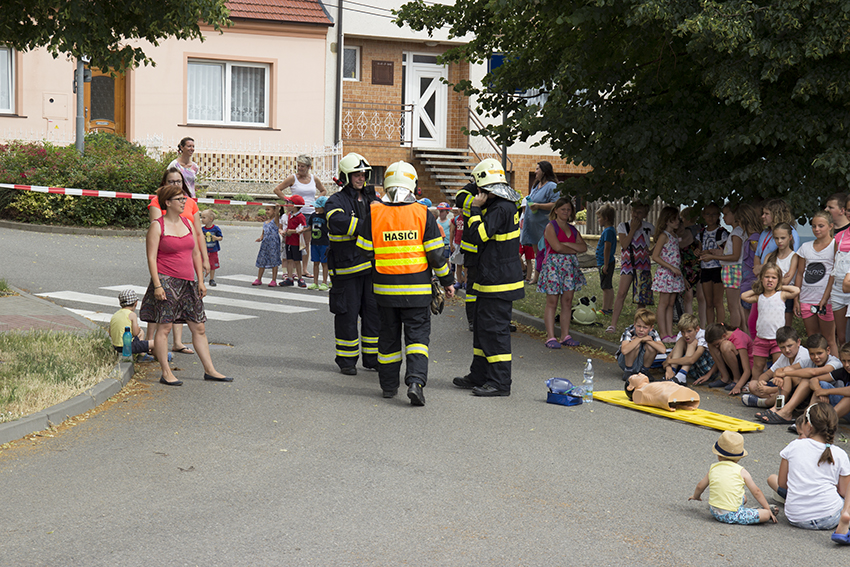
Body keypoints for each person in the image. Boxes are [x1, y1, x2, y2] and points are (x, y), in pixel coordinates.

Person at [356, 161, 455, 405]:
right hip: (417, 291)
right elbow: (436, 255)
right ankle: (415, 383)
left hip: (384, 291)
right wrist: (447, 281)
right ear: (413, 185)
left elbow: (363, 251)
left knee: (388, 339)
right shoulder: (422, 213)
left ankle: (389, 387)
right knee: (418, 339)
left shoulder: (374, 213)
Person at [139, 182, 232, 385]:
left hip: (188, 282)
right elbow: (151, 258)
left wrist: (201, 281)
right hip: (166, 280)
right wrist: (157, 285)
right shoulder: (157, 226)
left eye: (184, 198)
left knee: (199, 327)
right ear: (167, 202)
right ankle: (166, 372)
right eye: (180, 199)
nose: (184, 202)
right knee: (165, 328)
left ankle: (210, 370)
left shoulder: (187, 223)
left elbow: (196, 253)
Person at [452, 158, 524, 397]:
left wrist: (474, 209)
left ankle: (500, 382)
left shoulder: (501, 208)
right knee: (483, 329)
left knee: (495, 332)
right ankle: (480, 375)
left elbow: (477, 235)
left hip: (498, 282)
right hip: (490, 278)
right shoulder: (501, 204)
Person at [325, 153, 380, 375]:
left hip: (371, 269)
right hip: (346, 271)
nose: (361, 178)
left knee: (373, 315)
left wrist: (377, 206)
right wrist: (368, 226)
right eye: (356, 174)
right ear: (346, 176)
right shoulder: (335, 201)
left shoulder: (371, 199)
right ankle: (347, 360)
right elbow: (337, 221)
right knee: (347, 316)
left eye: (364, 174)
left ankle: (372, 358)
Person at [148, 167, 209, 356]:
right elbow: (159, 235)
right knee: (162, 318)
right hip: (167, 269)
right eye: (172, 181)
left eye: (179, 181)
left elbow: (198, 234)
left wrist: (205, 259)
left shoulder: (189, 203)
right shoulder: (158, 203)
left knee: (189, 317)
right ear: (165, 184)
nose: (176, 184)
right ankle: (150, 346)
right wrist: (158, 283)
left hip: (187, 265)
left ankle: (178, 342)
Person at [766, 403, 850, 531]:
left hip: (795, 517)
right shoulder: (840, 454)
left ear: (808, 426)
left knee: (773, 478)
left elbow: (782, 483)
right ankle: (845, 515)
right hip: (828, 517)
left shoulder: (794, 446)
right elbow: (844, 492)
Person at [689, 431, 777, 525]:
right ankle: (754, 511)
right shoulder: (741, 471)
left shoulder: (713, 468)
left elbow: (700, 486)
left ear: (718, 455)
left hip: (714, 510)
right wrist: (767, 508)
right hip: (731, 514)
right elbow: (756, 492)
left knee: (744, 497)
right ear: (739, 458)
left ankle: (747, 511)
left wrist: (696, 496)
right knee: (766, 514)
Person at [756, 334, 841, 424]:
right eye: (812, 354)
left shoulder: (835, 362)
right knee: (788, 375)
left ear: (828, 350)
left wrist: (784, 373)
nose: (816, 357)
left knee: (807, 379)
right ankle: (778, 407)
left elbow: (814, 372)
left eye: (819, 353)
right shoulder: (809, 361)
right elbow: (785, 369)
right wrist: (779, 377)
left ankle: (801, 418)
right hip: (817, 395)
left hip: (833, 398)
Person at [741, 264, 800, 391]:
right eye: (767, 277)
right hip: (761, 338)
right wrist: (759, 288)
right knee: (758, 366)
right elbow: (744, 296)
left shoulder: (781, 295)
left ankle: (774, 388)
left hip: (778, 339)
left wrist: (780, 286)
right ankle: (754, 385)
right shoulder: (759, 296)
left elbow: (796, 290)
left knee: (777, 366)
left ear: (778, 279)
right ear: (761, 278)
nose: (770, 280)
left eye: (774, 277)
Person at [538, 196, 587, 348]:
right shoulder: (551, 226)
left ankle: (565, 335)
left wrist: (565, 244)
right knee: (552, 301)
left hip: (569, 268)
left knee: (567, 301)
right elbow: (556, 247)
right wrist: (572, 248)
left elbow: (583, 247)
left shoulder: (572, 229)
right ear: (556, 211)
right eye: (563, 209)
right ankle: (550, 336)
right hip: (553, 266)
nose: (566, 212)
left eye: (568, 209)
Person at [273, 154, 328, 278]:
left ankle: (304, 269)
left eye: (302, 166)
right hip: (295, 213)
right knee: (292, 241)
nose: (300, 168)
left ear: (308, 167)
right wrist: (288, 200)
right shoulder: (293, 178)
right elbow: (277, 189)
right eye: (298, 165)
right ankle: (290, 270)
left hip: (310, 213)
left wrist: (317, 201)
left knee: (306, 242)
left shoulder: (314, 179)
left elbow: (323, 190)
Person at [795, 210, 839, 356]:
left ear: (831, 226)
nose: (817, 229)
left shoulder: (835, 246)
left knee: (829, 339)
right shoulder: (805, 247)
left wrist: (825, 298)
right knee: (812, 338)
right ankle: (815, 367)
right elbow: (800, 273)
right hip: (806, 298)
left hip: (827, 300)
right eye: (814, 226)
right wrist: (796, 299)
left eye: (821, 226)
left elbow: (834, 273)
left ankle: (835, 368)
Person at [609, 202, 654, 333]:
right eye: (634, 212)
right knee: (621, 293)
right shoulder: (624, 226)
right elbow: (624, 244)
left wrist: (653, 250)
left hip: (643, 264)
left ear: (645, 214)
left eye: (640, 212)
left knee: (641, 297)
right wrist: (633, 229)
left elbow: (660, 237)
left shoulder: (648, 227)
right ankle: (613, 324)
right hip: (628, 264)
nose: (636, 215)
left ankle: (639, 325)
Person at [701, 203, 745, 333]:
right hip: (731, 269)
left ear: (735, 215)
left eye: (726, 214)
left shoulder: (736, 233)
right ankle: (742, 333)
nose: (723, 217)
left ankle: (735, 333)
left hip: (733, 270)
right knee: (736, 306)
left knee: (733, 306)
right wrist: (719, 253)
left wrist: (713, 257)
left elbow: (735, 256)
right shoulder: (737, 232)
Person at [743, 325, 808, 409]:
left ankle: (765, 402)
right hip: (781, 389)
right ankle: (774, 400)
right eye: (783, 347)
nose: (787, 350)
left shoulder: (803, 355)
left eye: (790, 346)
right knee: (753, 385)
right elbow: (768, 374)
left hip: (796, 391)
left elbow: (793, 386)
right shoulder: (784, 356)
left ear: (798, 342)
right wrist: (761, 382)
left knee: (786, 379)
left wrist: (769, 390)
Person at [650, 206, 686, 342]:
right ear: (666, 221)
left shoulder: (674, 236)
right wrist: (671, 267)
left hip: (674, 275)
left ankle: (670, 333)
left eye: (677, 219)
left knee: (671, 303)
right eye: (674, 219)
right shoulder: (664, 236)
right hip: (666, 274)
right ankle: (663, 333)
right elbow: (655, 256)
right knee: (663, 303)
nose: (677, 222)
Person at [520, 161, 559, 285]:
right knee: (538, 254)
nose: (535, 171)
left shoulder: (551, 186)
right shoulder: (536, 185)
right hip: (533, 227)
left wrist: (539, 206)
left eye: (538, 169)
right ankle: (537, 278)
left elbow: (556, 204)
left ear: (544, 171)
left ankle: (546, 277)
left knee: (544, 253)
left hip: (544, 227)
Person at [109, 289, 166, 362]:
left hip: (116, 346)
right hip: (128, 346)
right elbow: (135, 333)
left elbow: (110, 333)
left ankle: (141, 354)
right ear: (136, 303)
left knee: (141, 332)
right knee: (155, 343)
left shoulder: (115, 315)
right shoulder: (132, 315)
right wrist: (138, 329)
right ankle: (161, 357)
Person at [701, 322, 753, 394]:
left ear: (724, 336)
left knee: (725, 346)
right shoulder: (723, 338)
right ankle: (725, 378)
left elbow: (747, 370)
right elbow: (721, 359)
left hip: (746, 374)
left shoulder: (738, 338)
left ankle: (736, 380)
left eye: (717, 344)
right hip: (734, 369)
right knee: (711, 345)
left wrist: (738, 386)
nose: (717, 347)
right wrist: (708, 374)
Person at [663, 314, 715, 385]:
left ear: (697, 329)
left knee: (693, 342)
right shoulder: (682, 335)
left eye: (689, 331)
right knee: (681, 340)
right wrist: (669, 369)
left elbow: (692, 360)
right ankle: (672, 373)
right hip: (693, 370)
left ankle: (681, 376)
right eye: (683, 332)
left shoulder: (703, 335)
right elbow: (670, 356)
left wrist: (669, 361)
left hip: (707, 370)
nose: (686, 335)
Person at [616, 308, 666, 381]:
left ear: (651, 328)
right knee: (635, 345)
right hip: (625, 361)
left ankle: (644, 371)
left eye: (645, 327)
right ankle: (628, 371)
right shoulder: (629, 331)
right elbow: (624, 350)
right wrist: (638, 339)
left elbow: (663, 350)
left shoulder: (653, 333)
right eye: (639, 326)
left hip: (641, 361)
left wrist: (648, 341)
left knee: (651, 347)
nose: (641, 330)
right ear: (634, 324)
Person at [699, 203, 727, 326]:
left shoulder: (722, 232)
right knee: (709, 302)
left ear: (718, 216)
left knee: (717, 301)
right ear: (703, 216)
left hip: (718, 268)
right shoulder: (701, 233)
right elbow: (700, 249)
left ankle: (720, 328)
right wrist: (698, 252)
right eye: (708, 214)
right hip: (705, 269)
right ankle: (710, 328)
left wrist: (710, 252)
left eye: (714, 214)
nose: (710, 217)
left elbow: (726, 251)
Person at [765, 222, 798, 327]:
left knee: (785, 328)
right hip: (769, 296)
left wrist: (771, 281)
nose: (779, 241)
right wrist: (781, 279)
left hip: (786, 296)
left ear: (790, 237)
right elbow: (762, 279)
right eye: (776, 238)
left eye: (783, 238)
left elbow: (787, 281)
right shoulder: (769, 256)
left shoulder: (794, 257)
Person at [827, 193, 850, 346]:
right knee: (842, 338)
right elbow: (833, 265)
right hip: (838, 290)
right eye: (849, 210)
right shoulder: (839, 236)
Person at [279, 195, 308, 288]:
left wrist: (292, 231)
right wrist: (285, 232)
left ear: (295, 205)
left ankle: (300, 278)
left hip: (296, 242)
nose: (287, 204)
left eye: (290, 203)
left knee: (297, 261)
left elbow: (303, 228)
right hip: (288, 241)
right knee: (289, 260)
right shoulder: (289, 215)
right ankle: (289, 277)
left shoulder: (300, 216)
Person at [595, 203, 616, 315]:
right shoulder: (610, 230)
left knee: (605, 287)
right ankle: (609, 307)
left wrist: (606, 264)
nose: (598, 220)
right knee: (608, 285)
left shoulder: (608, 231)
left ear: (606, 218)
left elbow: (607, 248)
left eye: (599, 218)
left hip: (605, 263)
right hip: (606, 262)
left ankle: (605, 309)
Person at [253, 205, 281, 287]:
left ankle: (273, 280)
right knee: (262, 260)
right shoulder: (265, 222)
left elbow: (277, 215)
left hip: (273, 244)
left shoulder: (275, 220)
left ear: (274, 211)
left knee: (274, 261)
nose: (267, 211)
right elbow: (263, 232)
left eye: (269, 209)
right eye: (266, 209)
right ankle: (259, 278)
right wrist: (261, 237)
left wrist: (277, 208)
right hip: (265, 244)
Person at [306, 195, 330, 291]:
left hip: (324, 243)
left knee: (324, 263)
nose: (315, 208)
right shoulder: (313, 215)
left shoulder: (327, 216)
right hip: (314, 242)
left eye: (318, 206)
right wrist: (303, 230)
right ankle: (315, 282)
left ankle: (324, 282)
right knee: (315, 262)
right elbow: (310, 226)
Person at [200, 210, 222, 287]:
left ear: (210, 219)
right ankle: (201, 278)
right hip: (204, 251)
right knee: (202, 264)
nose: (202, 219)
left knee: (213, 265)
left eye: (204, 218)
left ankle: (211, 279)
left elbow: (221, 237)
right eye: (201, 217)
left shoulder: (216, 228)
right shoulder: (202, 229)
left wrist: (216, 238)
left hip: (213, 250)